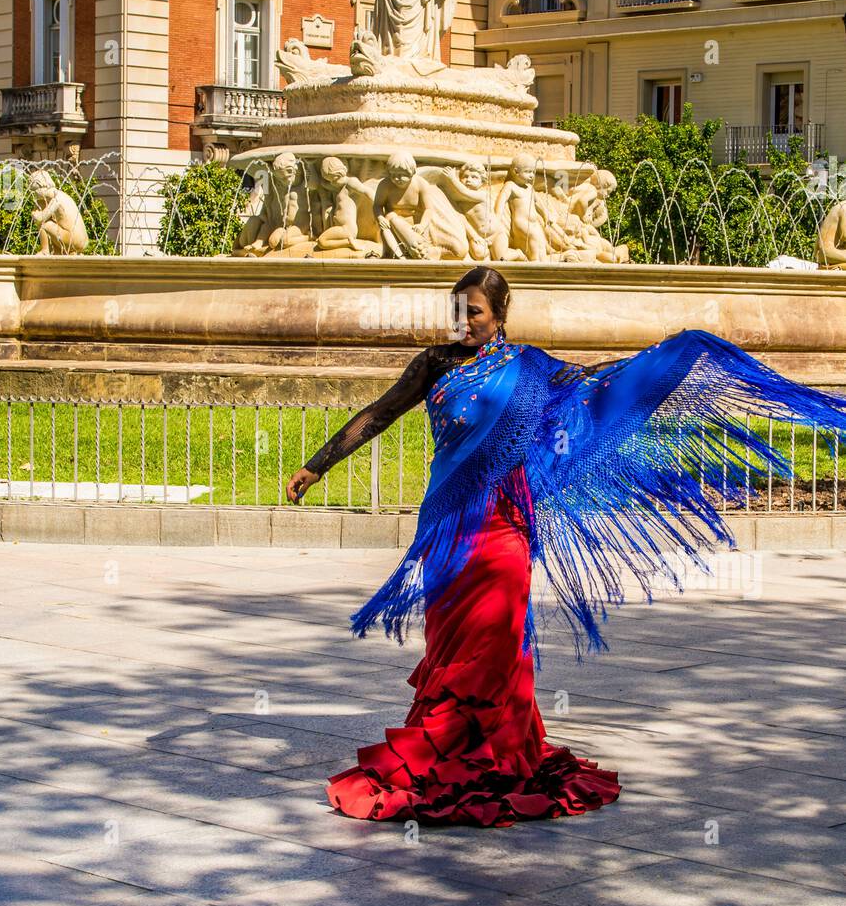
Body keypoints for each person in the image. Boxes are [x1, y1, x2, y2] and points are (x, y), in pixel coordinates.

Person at [286, 267, 846, 828]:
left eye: (473, 311)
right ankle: (450, 746)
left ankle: (498, 754)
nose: (462, 321)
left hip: (505, 524)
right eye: (456, 310)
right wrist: (317, 465)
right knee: (450, 638)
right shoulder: (434, 363)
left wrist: (671, 359)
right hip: (450, 522)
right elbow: (378, 414)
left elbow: (597, 388)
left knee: (497, 637)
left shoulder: (532, 368)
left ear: (499, 316)